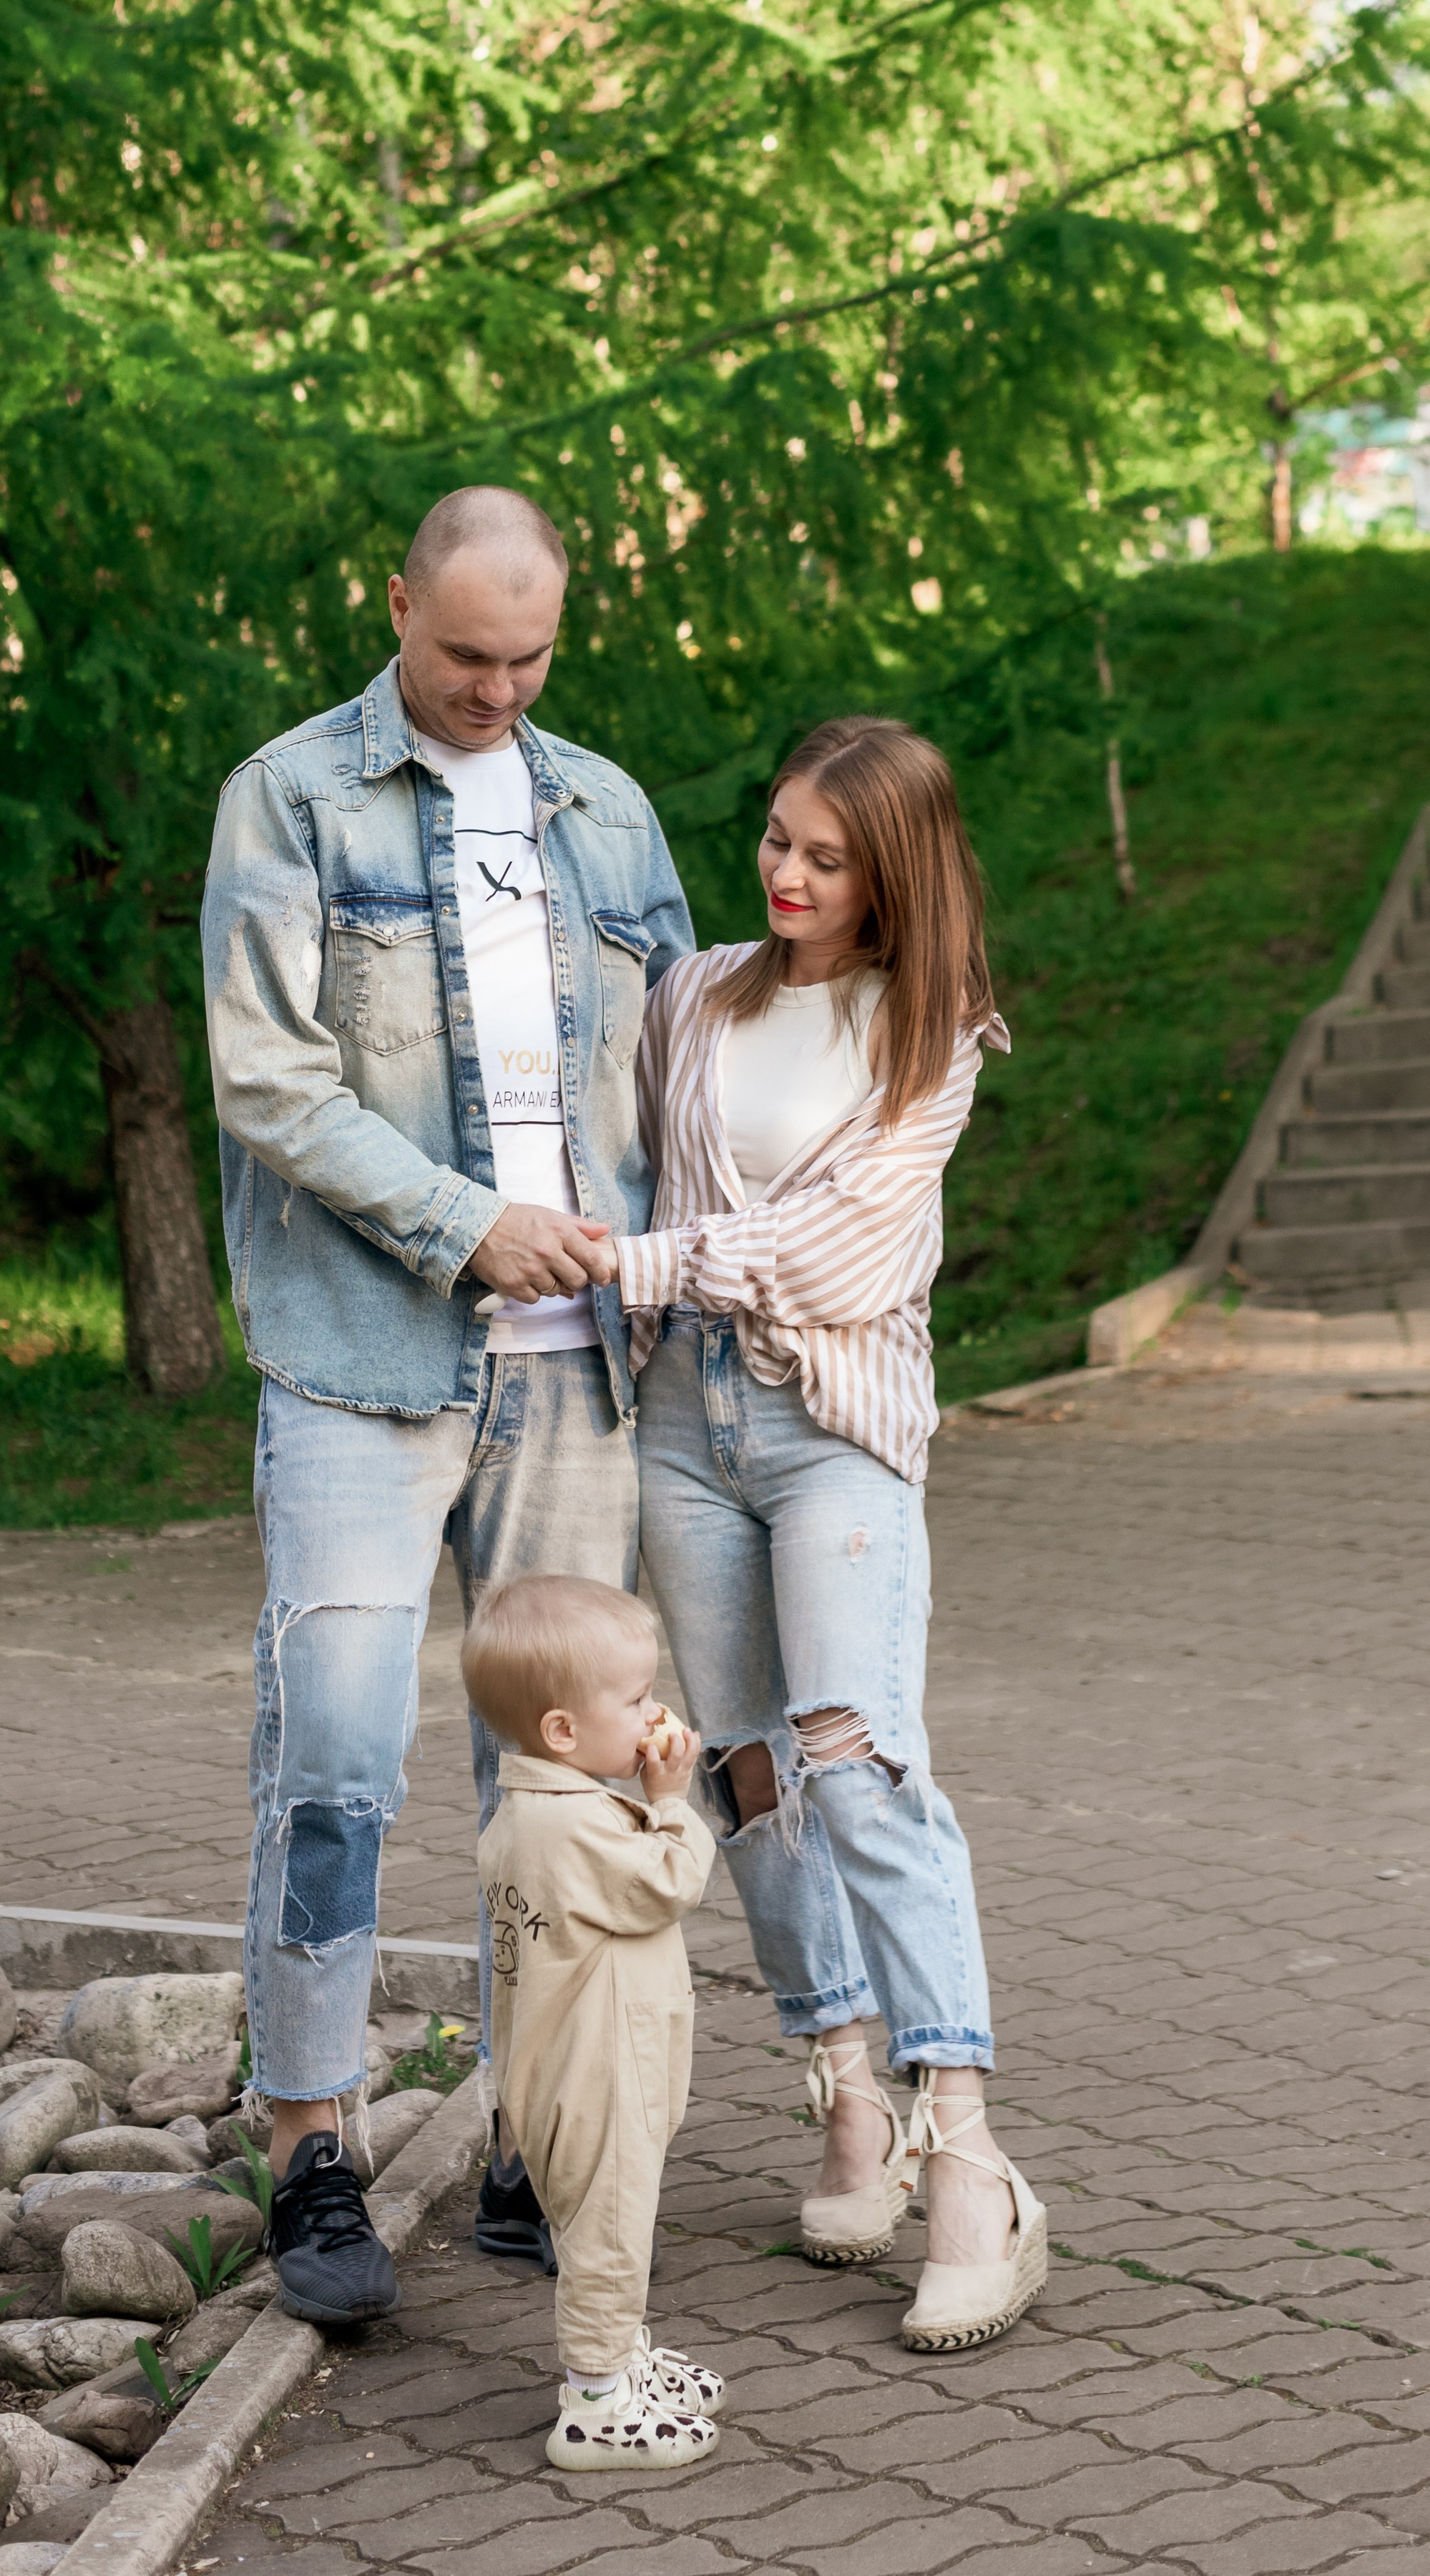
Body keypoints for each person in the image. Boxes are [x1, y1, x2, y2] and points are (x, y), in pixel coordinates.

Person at [200, 486, 694, 2327]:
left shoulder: (607, 805)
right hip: (357, 1350)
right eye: (463, 652)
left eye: (528, 657)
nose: (495, 688)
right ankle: (312, 2144)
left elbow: (679, 1053)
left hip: (580, 1375)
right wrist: (465, 1224)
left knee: (553, 1769)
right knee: (330, 1754)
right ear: (395, 603)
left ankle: (532, 2135)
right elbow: (263, 1077)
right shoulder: (289, 796)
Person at [605, 713, 1047, 2355]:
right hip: (679, 1429)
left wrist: (634, 1265)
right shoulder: (694, 994)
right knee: (742, 1769)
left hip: (834, 1430)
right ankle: (842, 2088)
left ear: (891, 873)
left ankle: (967, 2157)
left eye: (822, 853)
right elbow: (645, 1161)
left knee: (851, 1755)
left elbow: (838, 1257)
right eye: (776, 837)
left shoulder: (927, 1036)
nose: (783, 873)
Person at [465, 1572, 725, 2470]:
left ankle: (620, 2355)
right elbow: (671, 1882)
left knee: (612, 2220)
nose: (655, 1712)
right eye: (637, 1698)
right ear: (563, 1731)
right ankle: (596, 2401)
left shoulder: (538, 1811)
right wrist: (674, 1800)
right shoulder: (573, 1826)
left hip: (591, 2061)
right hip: (598, 2070)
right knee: (609, 2232)